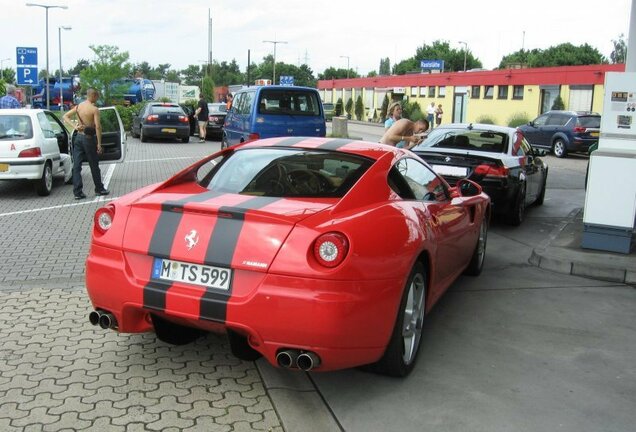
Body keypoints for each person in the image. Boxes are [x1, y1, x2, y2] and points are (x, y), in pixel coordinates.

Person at [63, 88, 109, 200]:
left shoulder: (79, 107)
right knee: (94, 165)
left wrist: (75, 127)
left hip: (78, 138)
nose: (97, 99)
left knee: (77, 166)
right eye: (97, 97)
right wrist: (99, 144)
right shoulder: (94, 109)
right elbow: (98, 127)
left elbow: (65, 116)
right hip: (89, 139)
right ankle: (99, 189)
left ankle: (77, 192)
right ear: (93, 96)